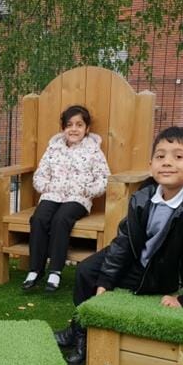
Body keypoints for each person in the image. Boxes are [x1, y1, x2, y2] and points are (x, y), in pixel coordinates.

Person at [55, 126, 183, 365]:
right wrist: (105, 280)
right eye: (160, 156)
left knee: (106, 279)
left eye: (178, 156)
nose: (167, 162)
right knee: (87, 272)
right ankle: (80, 329)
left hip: (164, 270)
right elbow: (124, 240)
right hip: (139, 258)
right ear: (150, 165)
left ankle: (86, 338)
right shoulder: (144, 196)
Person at [23, 105, 111, 292]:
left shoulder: (93, 151)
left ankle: (55, 270)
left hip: (78, 199)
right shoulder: (53, 149)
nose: (74, 129)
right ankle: (35, 269)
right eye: (69, 124)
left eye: (79, 125)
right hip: (52, 194)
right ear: (63, 128)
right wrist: (45, 187)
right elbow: (40, 174)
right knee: (39, 218)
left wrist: (86, 191)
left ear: (87, 129)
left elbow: (104, 178)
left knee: (61, 219)